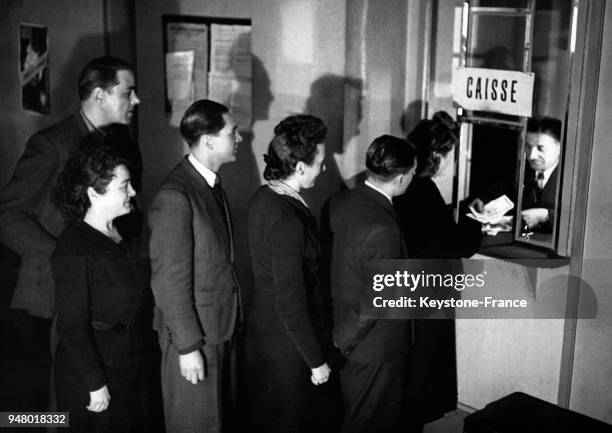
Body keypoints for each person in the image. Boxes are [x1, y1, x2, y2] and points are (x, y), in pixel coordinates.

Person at [0, 56, 141, 412]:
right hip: (50, 294)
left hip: (100, 299)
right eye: (128, 92)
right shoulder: (51, 144)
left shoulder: (119, 144)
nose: (135, 101)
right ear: (99, 95)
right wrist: (66, 259)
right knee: (38, 409)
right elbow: (7, 214)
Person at [149, 99, 242, 433]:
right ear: (209, 140)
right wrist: (188, 348)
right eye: (232, 132)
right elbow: (168, 282)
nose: (239, 138)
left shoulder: (209, 184)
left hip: (219, 330)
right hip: (194, 340)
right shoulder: (176, 196)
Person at [246, 115, 340, 433]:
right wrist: (316, 361)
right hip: (290, 351)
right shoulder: (287, 221)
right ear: (300, 168)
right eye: (321, 162)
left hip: (266, 340)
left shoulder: (264, 198)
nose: (324, 168)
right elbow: (291, 302)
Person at [394, 111, 482, 431]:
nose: (453, 162)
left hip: (413, 301)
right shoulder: (423, 190)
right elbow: (448, 242)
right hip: (426, 303)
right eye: (451, 155)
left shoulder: (411, 186)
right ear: (437, 155)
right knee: (422, 384)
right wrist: (476, 224)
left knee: (413, 383)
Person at [324, 135, 416, 433]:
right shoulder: (383, 227)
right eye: (412, 173)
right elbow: (376, 300)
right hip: (373, 347)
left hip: (342, 334)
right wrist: (343, 341)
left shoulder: (338, 202)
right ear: (400, 178)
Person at [50, 146, 146, 433]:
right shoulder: (74, 246)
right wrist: (95, 384)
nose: (132, 193)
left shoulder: (121, 232)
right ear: (94, 193)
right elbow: (71, 325)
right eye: (124, 186)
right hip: (91, 375)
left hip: (126, 361)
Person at [469, 116, 561, 234]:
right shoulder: (521, 168)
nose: (532, 155)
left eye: (540, 148)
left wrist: (547, 216)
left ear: (560, 147)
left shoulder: (573, 177)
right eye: (528, 146)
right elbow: (499, 187)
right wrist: (482, 199)